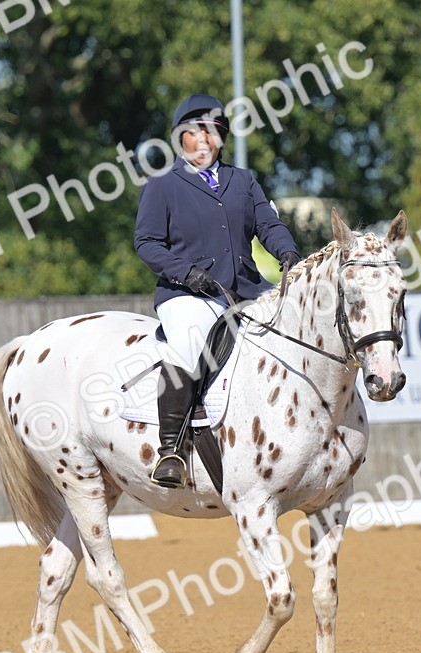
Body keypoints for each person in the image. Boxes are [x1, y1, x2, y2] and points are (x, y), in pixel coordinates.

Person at [134, 93, 302, 489]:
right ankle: (172, 448)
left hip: (246, 289)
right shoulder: (163, 184)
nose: (204, 140)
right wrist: (186, 273)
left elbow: (268, 224)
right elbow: (147, 243)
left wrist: (288, 252)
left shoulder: (242, 181)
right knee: (190, 343)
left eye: (212, 132)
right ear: (180, 138)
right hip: (188, 294)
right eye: (195, 132)